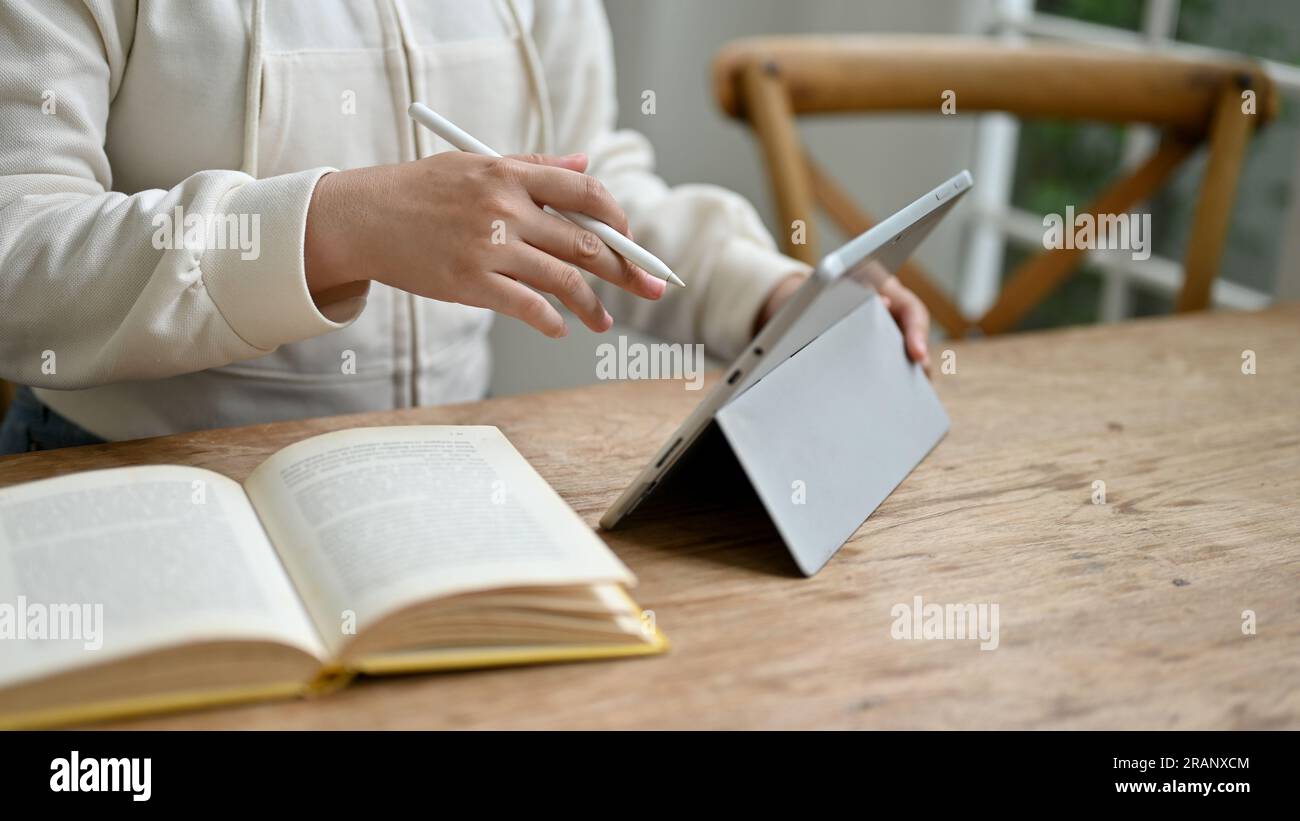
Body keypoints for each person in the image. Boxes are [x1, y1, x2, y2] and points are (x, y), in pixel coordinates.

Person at [0, 0, 930, 454]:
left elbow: (582, 179)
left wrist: (766, 294)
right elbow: (18, 256)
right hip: (116, 466)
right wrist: (333, 225)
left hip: (442, 472)